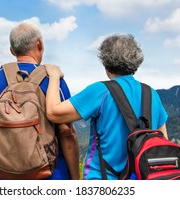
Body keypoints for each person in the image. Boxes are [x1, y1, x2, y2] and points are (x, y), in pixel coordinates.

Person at [44, 34, 168, 180]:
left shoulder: (100, 91)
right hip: (143, 177)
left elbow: (53, 113)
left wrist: (53, 76)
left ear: (106, 64)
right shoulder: (151, 94)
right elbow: (163, 140)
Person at [0, 22, 80, 180]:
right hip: (50, 173)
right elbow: (66, 131)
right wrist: (76, 178)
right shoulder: (53, 78)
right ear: (39, 44)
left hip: (6, 174)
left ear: (12, 50)